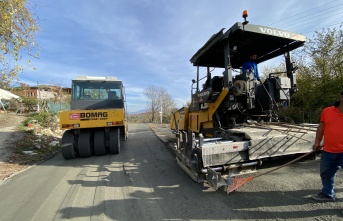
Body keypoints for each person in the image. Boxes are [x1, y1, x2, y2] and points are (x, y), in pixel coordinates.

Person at [311, 90, 343, 202]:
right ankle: (327, 194)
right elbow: (321, 128)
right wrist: (317, 142)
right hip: (328, 151)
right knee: (326, 174)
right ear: (341, 97)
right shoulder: (327, 111)